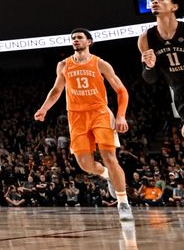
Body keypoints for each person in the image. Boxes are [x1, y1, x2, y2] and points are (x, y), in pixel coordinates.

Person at [34, 28, 134, 221]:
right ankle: (107, 176)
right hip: (76, 117)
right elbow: (56, 91)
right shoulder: (63, 64)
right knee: (85, 165)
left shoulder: (100, 63)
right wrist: (44, 108)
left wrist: (121, 116)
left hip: (100, 113)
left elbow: (122, 91)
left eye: (79, 37)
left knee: (109, 157)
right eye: (73, 38)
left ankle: (123, 203)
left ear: (89, 41)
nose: (75, 40)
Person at [138, 0, 184, 137]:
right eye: (152, 0)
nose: (154, 1)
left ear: (174, 7)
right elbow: (149, 79)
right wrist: (149, 67)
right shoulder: (146, 38)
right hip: (180, 91)